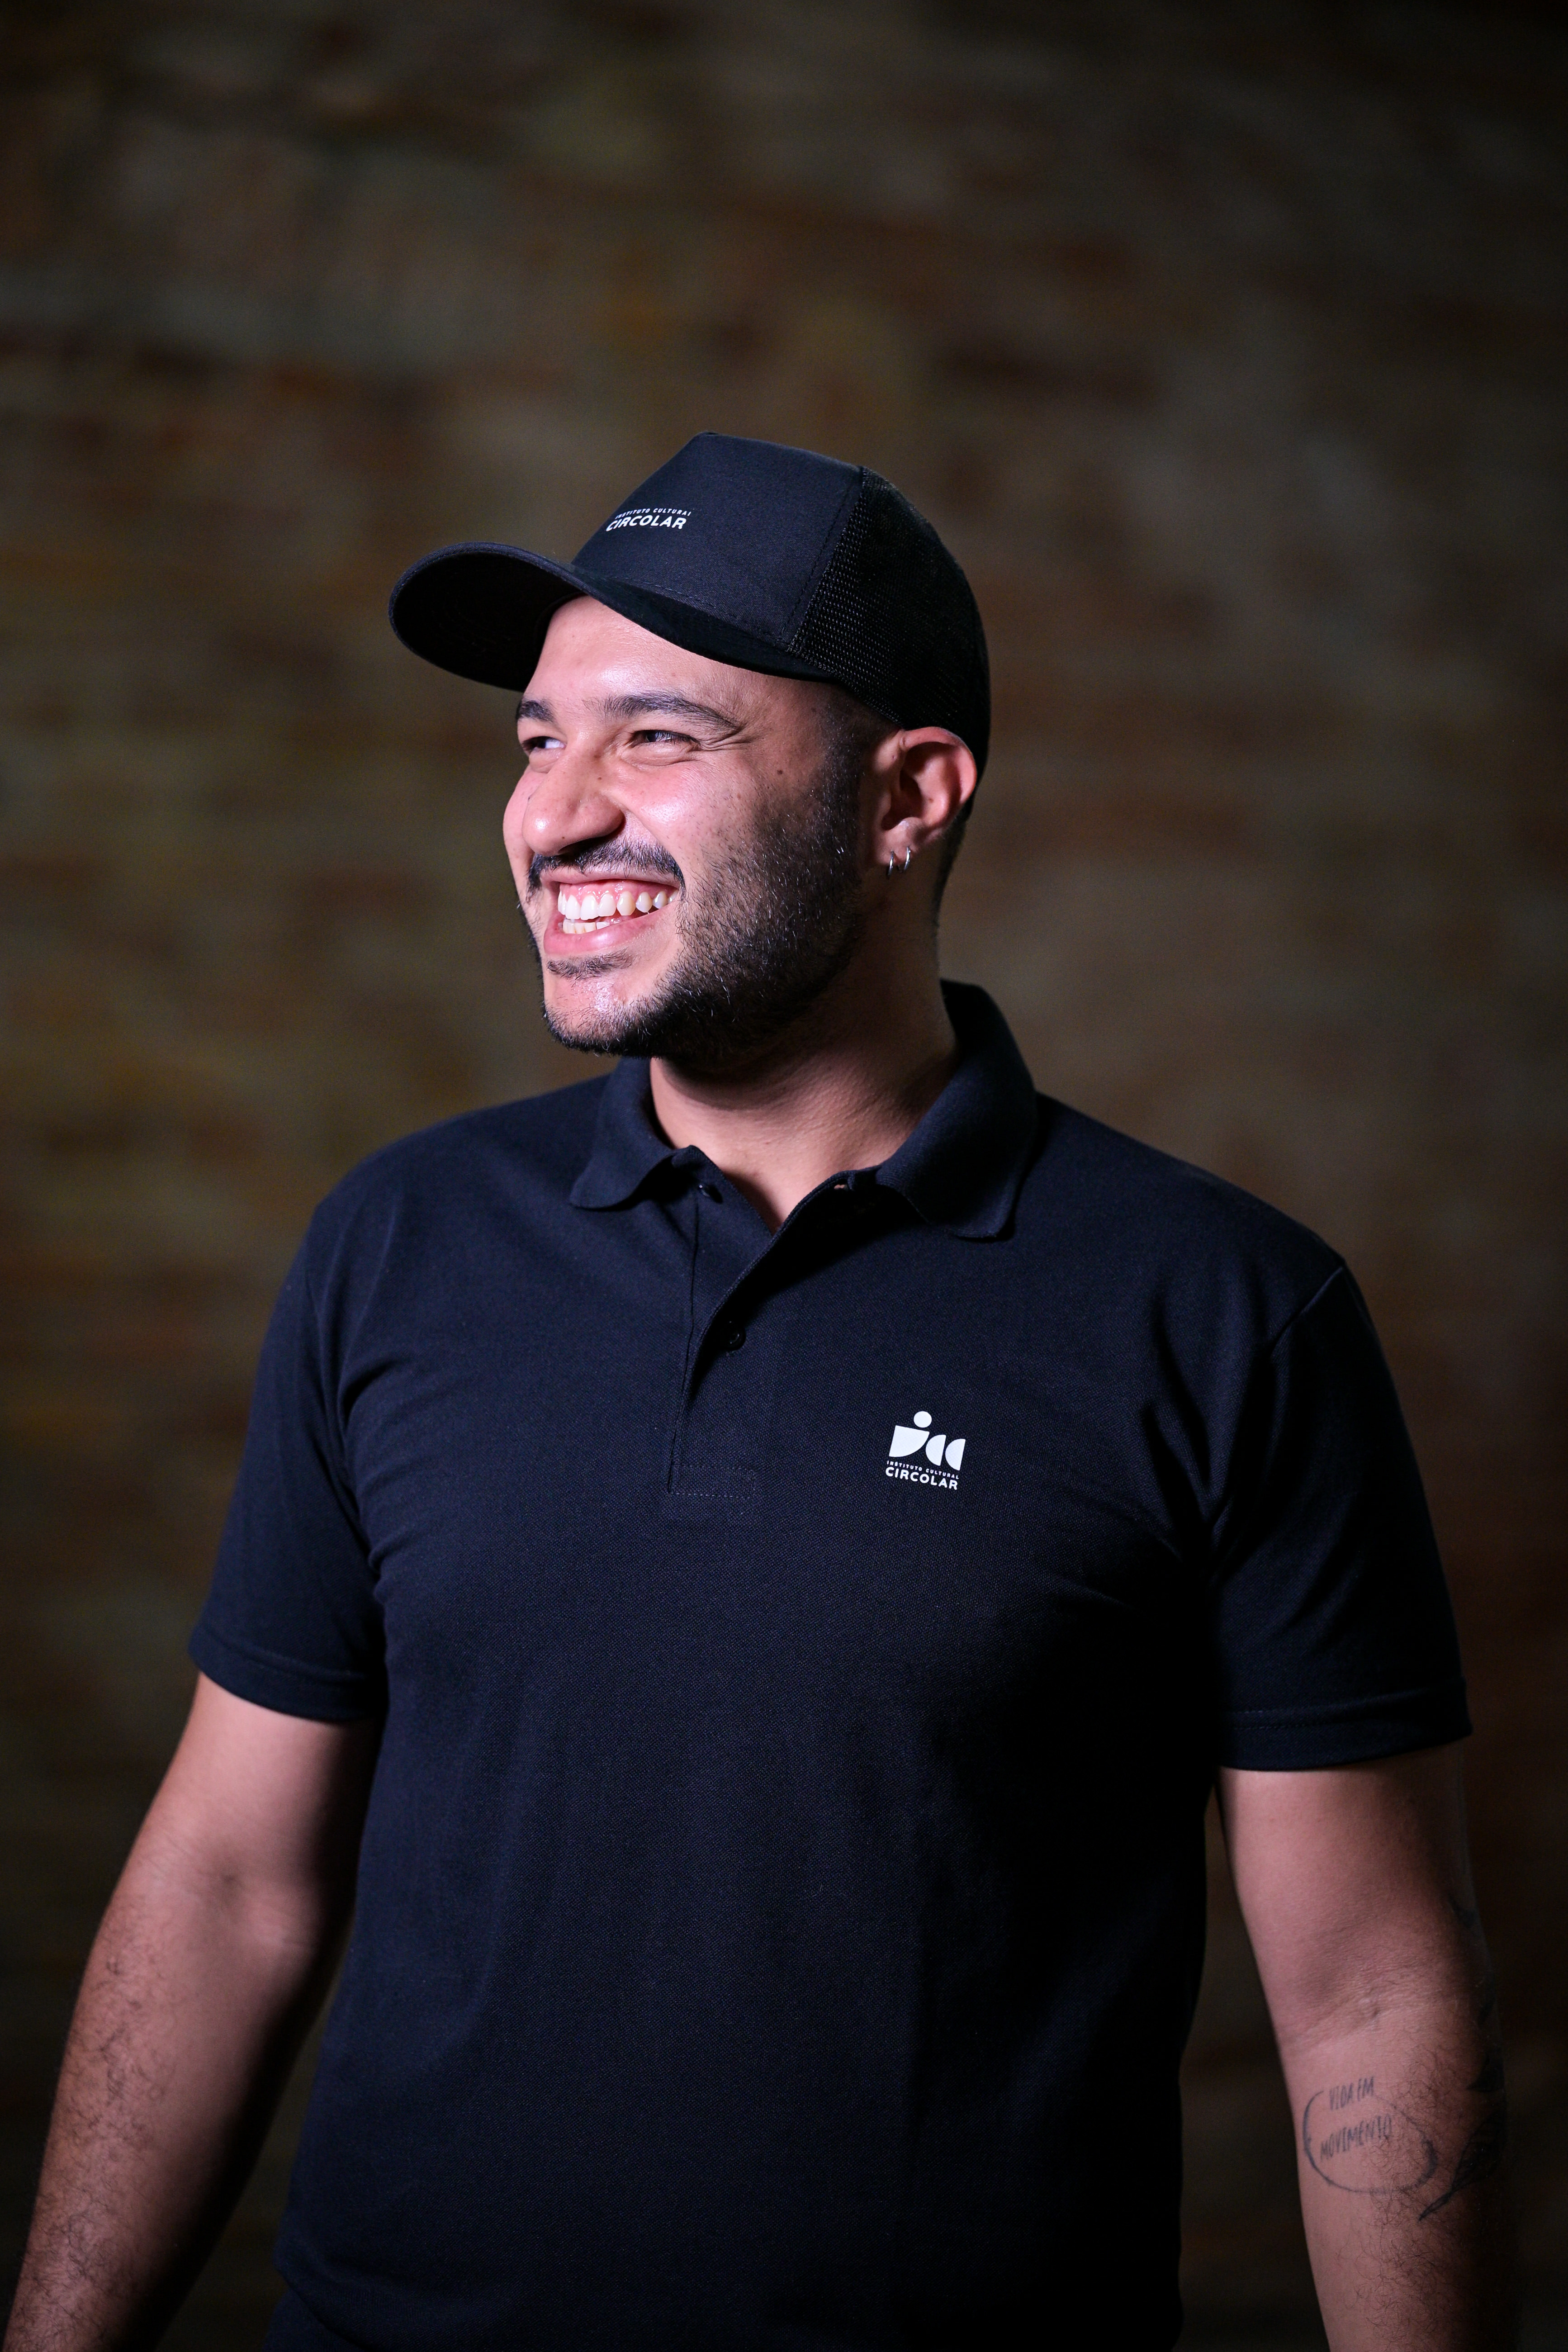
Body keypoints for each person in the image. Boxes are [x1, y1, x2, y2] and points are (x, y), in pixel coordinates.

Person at [6, 434, 1514, 2352]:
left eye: (657, 738)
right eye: (535, 741)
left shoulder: (1221, 1310)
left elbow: (1372, 1988)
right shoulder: (401, 1243)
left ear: (907, 798)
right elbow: (229, 1884)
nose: (553, 815)